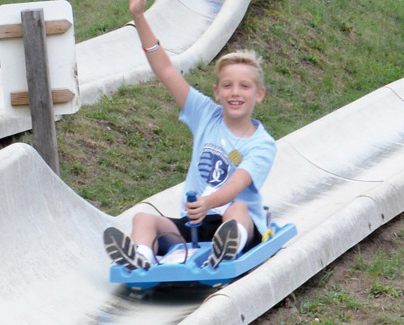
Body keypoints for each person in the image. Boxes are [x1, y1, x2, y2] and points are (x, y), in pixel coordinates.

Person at [103, 0, 278, 271]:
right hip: (196, 224)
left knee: (237, 209)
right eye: (227, 86)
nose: (235, 92)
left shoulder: (262, 144)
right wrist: (138, 15)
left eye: (244, 86)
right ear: (217, 92)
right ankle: (141, 257)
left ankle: (229, 246)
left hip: (233, 222)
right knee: (143, 219)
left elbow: (236, 185)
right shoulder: (206, 115)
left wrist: (208, 202)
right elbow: (165, 70)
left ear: (259, 94)